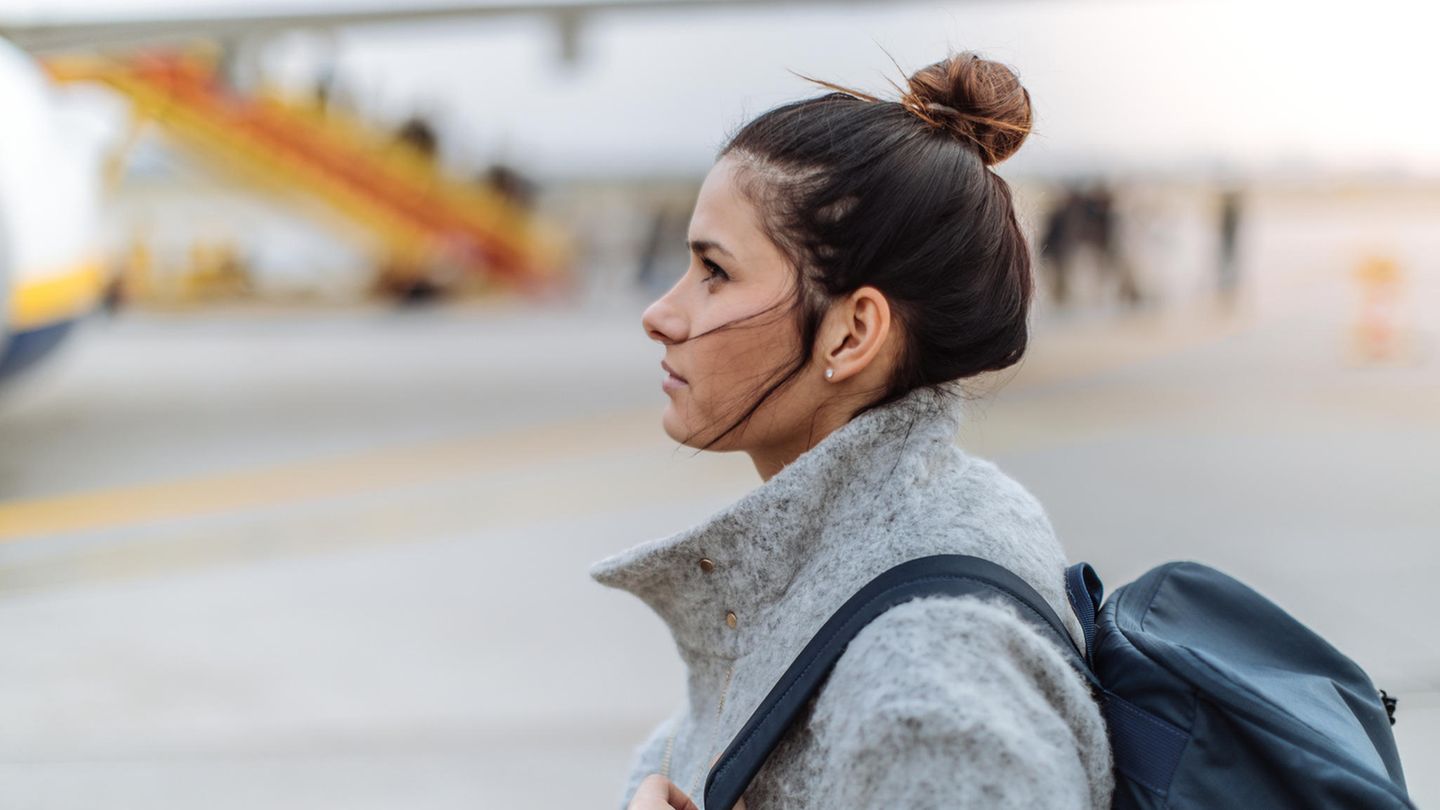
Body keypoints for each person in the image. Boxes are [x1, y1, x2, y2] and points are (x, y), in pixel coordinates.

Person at [590, 51, 1113, 809]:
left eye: (716, 272)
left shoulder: (926, 676)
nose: (662, 313)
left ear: (851, 332)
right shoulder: (918, 524)